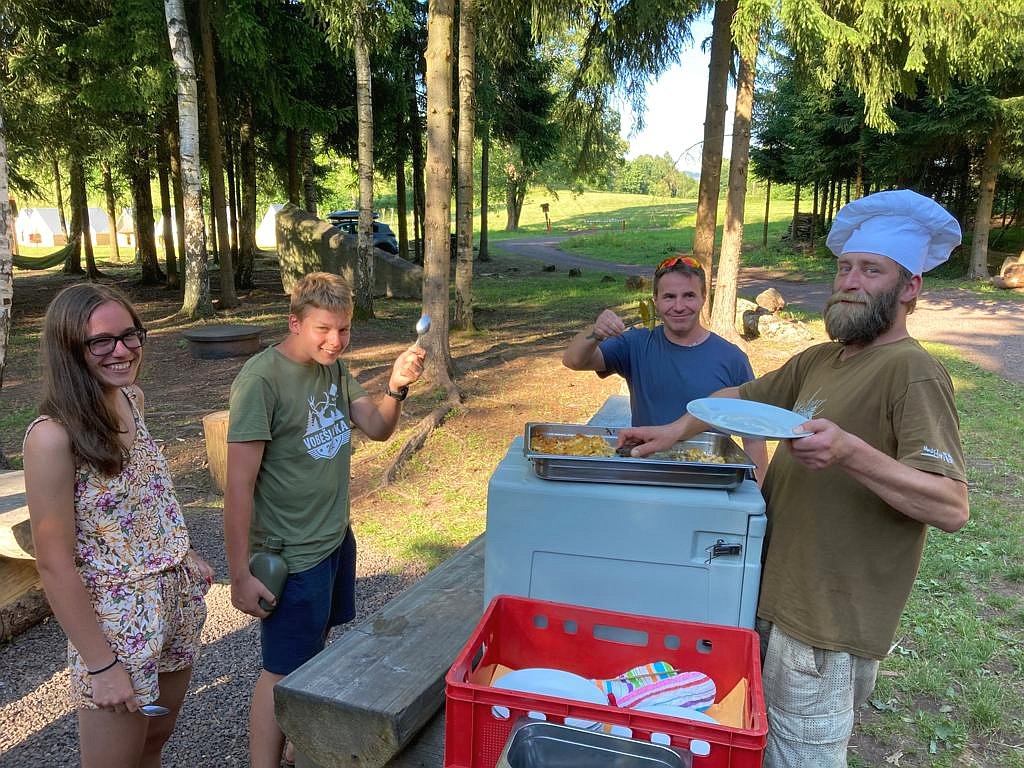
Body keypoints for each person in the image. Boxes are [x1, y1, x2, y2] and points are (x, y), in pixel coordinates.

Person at [618, 190, 970, 767]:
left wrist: (851, 452)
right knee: (757, 741)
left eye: (871, 270)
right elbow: (735, 397)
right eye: (845, 267)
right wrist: (671, 430)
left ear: (909, 287)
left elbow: (951, 506)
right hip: (776, 592)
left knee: (800, 757)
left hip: (825, 621)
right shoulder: (822, 360)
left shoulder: (913, 370)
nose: (850, 282)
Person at [224, 271, 426, 768]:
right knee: (279, 670)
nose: (335, 340)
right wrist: (239, 574)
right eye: (323, 329)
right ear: (295, 322)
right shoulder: (261, 380)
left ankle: (299, 735)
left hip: (334, 540)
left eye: (344, 329)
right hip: (291, 555)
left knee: (316, 648)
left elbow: (377, 427)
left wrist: (396, 387)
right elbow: (238, 487)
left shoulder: (333, 370)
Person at [23, 284, 213, 768]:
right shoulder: (52, 437)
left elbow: (143, 496)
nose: (123, 350)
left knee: (154, 740)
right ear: (69, 349)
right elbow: (53, 562)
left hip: (175, 603)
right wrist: (101, 664)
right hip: (117, 623)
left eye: (130, 335)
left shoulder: (131, 398)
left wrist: (181, 551)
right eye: (101, 341)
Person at [563, 254, 768, 481]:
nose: (679, 307)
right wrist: (595, 333)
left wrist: (757, 492)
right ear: (656, 301)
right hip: (647, 472)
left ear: (703, 298)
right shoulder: (635, 344)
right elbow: (574, 361)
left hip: (709, 479)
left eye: (689, 295)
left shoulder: (732, 358)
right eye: (669, 297)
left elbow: (754, 436)